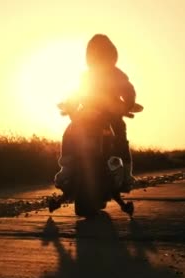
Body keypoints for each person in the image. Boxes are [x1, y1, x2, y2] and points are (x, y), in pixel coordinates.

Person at [55, 34, 138, 195]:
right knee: (73, 132)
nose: (99, 57)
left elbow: (128, 91)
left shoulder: (110, 75)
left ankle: (124, 174)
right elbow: (77, 93)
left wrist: (127, 104)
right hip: (91, 115)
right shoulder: (94, 75)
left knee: (117, 135)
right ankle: (125, 175)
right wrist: (127, 105)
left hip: (98, 115)